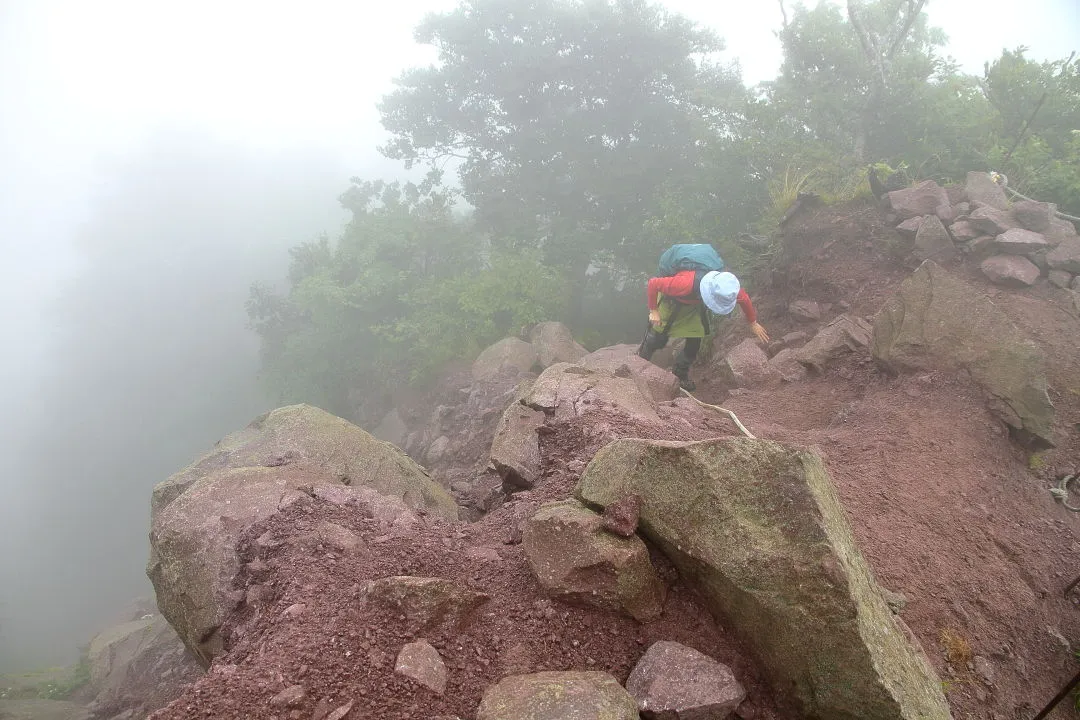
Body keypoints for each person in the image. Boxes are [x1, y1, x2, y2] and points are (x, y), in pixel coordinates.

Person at [638, 269, 769, 391]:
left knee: (694, 342)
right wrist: (653, 310)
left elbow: (744, 299)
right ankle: (637, 365)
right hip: (671, 302)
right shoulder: (683, 283)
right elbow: (653, 284)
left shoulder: (727, 289)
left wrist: (753, 322)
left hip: (694, 306)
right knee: (657, 338)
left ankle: (679, 375)